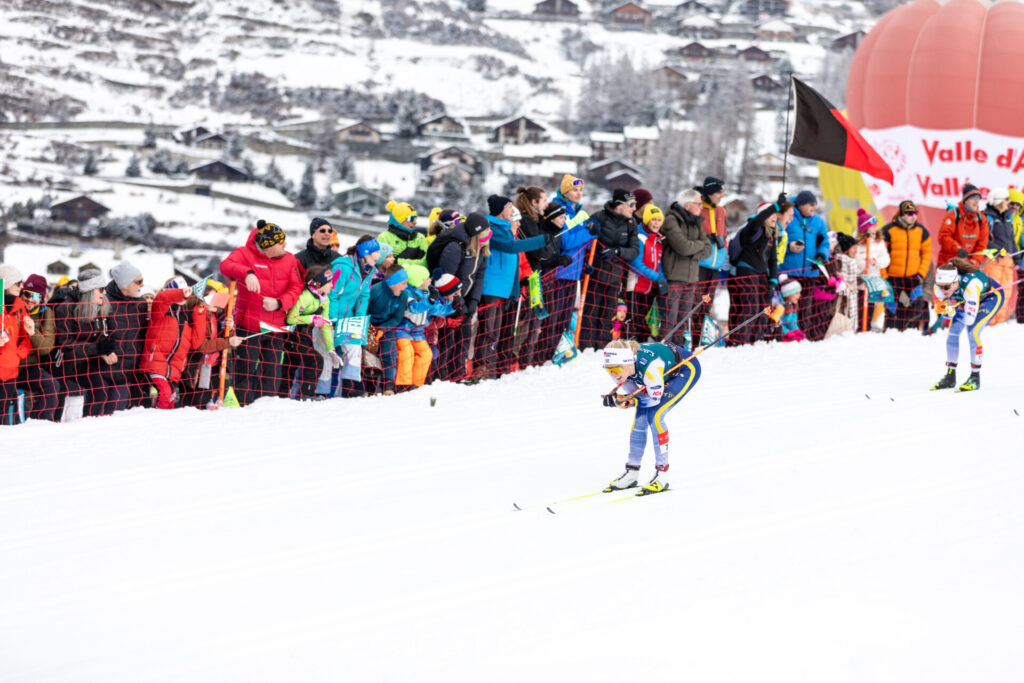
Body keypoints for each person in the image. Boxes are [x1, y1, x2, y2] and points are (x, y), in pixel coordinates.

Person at [600, 339, 702, 496]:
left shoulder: (650, 368)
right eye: (608, 370)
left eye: (616, 369)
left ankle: (662, 475)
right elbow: (637, 395)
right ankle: (632, 472)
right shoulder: (621, 369)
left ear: (627, 363)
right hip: (660, 371)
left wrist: (625, 401)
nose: (613, 374)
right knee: (640, 417)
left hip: (685, 368)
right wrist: (624, 399)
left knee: (655, 415)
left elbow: (652, 399)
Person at [219, 219, 303, 405]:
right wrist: (247, 273)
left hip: (275, 327)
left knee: (272, 374)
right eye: (281, 242)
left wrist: (280, 303)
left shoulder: (290, 259)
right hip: (248, 326)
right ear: (268, 245)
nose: (285, 245)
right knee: (244, 371)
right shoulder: (244, 254)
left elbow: (296, 287)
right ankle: (244, 408)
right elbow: (225, 266)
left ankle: (265, 410)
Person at [478, 194, 548, 376]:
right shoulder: (491, 229)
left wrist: (514, 292)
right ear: (501, 211)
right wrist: (541, 239)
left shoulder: (506, 229)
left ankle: (492, 369)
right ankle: (481, 368)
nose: (512, 210)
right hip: (491, 288)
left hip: (505, 289)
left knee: (498, 332)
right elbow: (511, 248)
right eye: (509, 207)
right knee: (489, 331)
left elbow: (515, 264)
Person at [428, 212, 489, 381]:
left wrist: (473, 302)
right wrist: (457, 302)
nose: (488, 236)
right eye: (485, 232)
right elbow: (447, 279)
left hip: (467, 302)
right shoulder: (455, 248)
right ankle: (441, 376)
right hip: (450, 303)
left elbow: (478, 276)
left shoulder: (481, 249)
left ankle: (458, 374)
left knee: (464, 338)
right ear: (476, 233)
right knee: (447, 341)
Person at [543, 174, 599, 359]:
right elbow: (566, 241)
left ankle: (561, 351)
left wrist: (585, 264)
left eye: (581, 190)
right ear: (565, 191)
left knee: (566, 317)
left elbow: (584, 243)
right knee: (554, 316)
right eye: (574, 190)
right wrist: (588, 234)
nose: (578, 193)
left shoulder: (579, 213)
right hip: (559, 272)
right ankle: (547, 353)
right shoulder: (559, 210)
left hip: (573, 273)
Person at [727, 195, 792, 345]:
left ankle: (756, 340)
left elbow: (772, 261)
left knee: (763, 307)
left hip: (761, 274)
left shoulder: (771, 235)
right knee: (750, 306)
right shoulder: (753, 228)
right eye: (771, 214)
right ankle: (740, 341)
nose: (775, 217)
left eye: (776, 214)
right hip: (746, 270)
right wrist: (776, 206)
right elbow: (758, 218)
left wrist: (772, 282)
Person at [580, 188, 641, 350]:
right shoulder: (599, 217)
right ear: (619, 204)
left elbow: (635, 250)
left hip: (615, 277)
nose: (634, 208)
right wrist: (589, 229)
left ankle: (603, 349)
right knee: (590, 313)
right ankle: (585, 348)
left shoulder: (631, 223)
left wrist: (617, 251)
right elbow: (582, 238)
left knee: (608, 315)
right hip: (594, 275)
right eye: (631, 204)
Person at [930, 259, 1003, 392]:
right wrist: (947, 311)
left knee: (972, 331)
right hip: (968, 299)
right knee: (953, 332)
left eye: (946, 287)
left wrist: (952, 312)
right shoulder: (939, 289)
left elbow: (969, 319)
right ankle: (950, 376)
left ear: (955, 282)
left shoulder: (970, 286)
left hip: (991, 296)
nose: (943, 290)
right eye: (940, 286)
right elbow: (946, 313)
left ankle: (975, 378)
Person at [51, 268, 116, 417]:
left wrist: (106, 350)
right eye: (101, 289)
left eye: (105, 289)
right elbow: (65, 345)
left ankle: (88, 427)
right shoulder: (66, 308)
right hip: (61, 365)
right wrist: (97, 349)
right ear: (89, 291)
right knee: (57, 405)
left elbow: (99, 336)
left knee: (99, 390)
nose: (104, 293)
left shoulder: (98, 306)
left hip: (83, 362)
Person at [140, 282, 209, 409]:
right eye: (182, 290)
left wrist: (200, 311)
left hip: (174, 369)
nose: (185, 293)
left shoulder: (186, 317)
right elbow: (162, 298)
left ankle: (165, 425)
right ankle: (155, 423)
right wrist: (180, 294)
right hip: (156, 363)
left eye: (186, 290)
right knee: (165, 394)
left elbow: (196, 342)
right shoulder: (161, 311)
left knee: (171, 398)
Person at [329, 235, 381, 397]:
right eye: (376, 253)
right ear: (365, 253)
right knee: (328, 356)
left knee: (354, 350)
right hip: (330, 319)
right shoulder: (343, 267)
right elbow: (332, 294)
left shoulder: (369, 271)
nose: (378, 256)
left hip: (348, 321)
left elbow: (363, 296)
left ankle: (350, 392)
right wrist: (332, 320)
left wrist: (358, 320)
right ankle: (321, 394)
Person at [660, 188, 712, 348]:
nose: (701, 207)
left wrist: (692, 251)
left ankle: (679, 351)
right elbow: (682, 247)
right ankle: (663, 350)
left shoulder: (696, 223)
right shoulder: (671, 220)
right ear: (687, 204)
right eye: (698, 204)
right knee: (670, 319)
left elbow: (708, 249)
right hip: (674, 277)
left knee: (683, 321)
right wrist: (697, 247)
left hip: (691, 278)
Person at [393, 265, 455, 389]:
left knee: (426, 354)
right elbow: (414, 308)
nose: (429, 281)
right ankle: (403, 383)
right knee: (407, 353)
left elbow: (436, 310)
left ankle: (417, 383)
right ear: (419, 281)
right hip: (403, 329)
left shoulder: (426, 293)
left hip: (417, 332)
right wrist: (430, 300)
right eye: (426, 278)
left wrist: (452, 306)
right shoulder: (407, 293)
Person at [286, 265, 341, 400]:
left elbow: (326, 324)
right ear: (319, 283)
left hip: (305, 338)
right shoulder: (305, 297)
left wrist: (330, 349)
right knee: (299, 365)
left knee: (313, 361)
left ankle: (306, 395)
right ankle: (298, 396)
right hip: (291, 338)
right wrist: (311, 318)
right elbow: (291, 318)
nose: (332, 285)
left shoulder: (324, 299)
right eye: (329, 282)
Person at [782, 190, 832, 340]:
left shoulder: (818, 221)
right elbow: (776, 239)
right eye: (811, 205)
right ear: (801, 205)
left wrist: (821, 255)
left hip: (810, 272)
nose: (814, 208)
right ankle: (784, 334)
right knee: (787, 307)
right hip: (789, 271)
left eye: (815, 205)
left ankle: (803, 335)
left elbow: (825, 242)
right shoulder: (789, 217)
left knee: (806, 307)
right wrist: (788, 247)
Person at [102, 260, 149, 410]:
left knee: (117, 417)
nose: (142, 285)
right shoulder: (104, 301)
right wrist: (103, 350)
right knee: (96, 417)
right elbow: (94, 331)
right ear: (125, 284)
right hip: (103, 369)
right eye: (138, 281)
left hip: (127, 372)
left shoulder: (141, 304)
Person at [881, 200, 932, 331]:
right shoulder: (888, 230)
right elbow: (880, 254)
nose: (913, 216)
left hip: (913, 277)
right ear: (902, 215)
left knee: (918, 303)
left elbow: (927, 254)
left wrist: (921, 273)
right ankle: (891, 332)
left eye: (915, 213)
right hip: (892, 277)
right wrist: (884, 276)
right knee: (892, 307)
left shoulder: (922, 231)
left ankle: (912, 331)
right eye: (909, 214)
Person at [18, 274, 60, 421]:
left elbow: (46, 347)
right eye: (27, 294)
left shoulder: (46, 313)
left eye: (35, 295)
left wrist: (32, 331)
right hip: (9, 366)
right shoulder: (12, 308)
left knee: (51, 385)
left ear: (41, 297)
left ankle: (39, 423)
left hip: (28, 367)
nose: (29, 299)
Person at [367, 263, 411, 395]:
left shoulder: (403, 295)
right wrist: (370, 329)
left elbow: (397, 318)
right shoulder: (375, 291)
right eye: (403, 283)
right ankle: (369, 388)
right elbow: (362, 310)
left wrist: (383, 329)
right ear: (393, 282)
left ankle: (388, 387)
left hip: (387, 326)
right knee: (369, 353)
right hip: (369, 325)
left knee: (389, 352)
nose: (406, 286)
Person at [626, 204, 667, 340]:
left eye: (659, 220)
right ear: (646, 220)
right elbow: (636, 265)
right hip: (636, 288)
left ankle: (643, 353)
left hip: (650, 290)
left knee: (644, 325)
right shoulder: (639, 238)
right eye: (653, 219)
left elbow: (658, 265)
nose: (656, 223)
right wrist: (657, 278)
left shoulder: (658, 241)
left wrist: (662, 279)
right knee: (634, 323)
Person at [1, 266, 35, 424]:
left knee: (4, 418)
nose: (22, 287)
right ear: (6, 284)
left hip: (10, 373)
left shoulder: (20, 308)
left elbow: (26, 338)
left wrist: (18, 354)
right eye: (18, 283)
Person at [693, 176, 728, 333]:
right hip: (699, 264)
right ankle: (690, 339)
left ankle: (699, 339)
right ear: (710, 192)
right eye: (720, 192)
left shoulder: (721, 211)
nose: (722, 195)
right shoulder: (698, 210)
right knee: (695, 303)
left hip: (715, 266)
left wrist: (724, 253)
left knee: (707, 304)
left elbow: (724, 235)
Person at [853, 208, 891, 331]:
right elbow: (854, 260)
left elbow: (886, 260)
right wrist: (862, 266)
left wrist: (875, 262)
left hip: (872, 282)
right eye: (872, 227)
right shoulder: (857, 243)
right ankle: (859, 328)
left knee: (870, 308)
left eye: (875, 227)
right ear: (864, 229)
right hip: (859, 283)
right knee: (858, 308)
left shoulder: (879, 243)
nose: (875, 229)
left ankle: (867, 328)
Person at [938, 184, 989, 266]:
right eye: (973, 198)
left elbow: (982, 243)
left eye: (978, 198)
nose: (976, 202)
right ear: (965, 200)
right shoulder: (953, 215)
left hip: (969, 264)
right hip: (950, 261)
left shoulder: (981, 219)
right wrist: (958, 250)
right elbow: (944, 237)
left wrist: (975, 259)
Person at [378, 200, 429, 268]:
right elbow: (383, 265)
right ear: (399, 220)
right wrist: (414, 261)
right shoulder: (384, 237)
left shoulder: (420, 237)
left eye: (415, 218)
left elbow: (425, 263)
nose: (415, 222)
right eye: (411, 218)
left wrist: (397, 261)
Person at [777, 275, 806, 342]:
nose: (799, 295)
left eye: (799, 293)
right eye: (796, 293)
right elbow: (776, 323)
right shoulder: (779, 306)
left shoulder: (792, 306)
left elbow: (793, 322)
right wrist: (787, 332)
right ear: (787, 294)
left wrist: (796, 330)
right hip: (778, 333)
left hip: (787, 333)